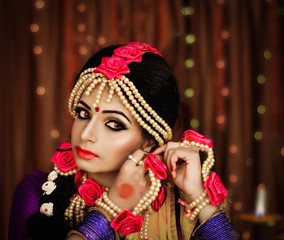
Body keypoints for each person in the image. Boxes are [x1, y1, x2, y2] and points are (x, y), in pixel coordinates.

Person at [9, 42, 240, 240]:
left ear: (150, 140)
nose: (87, 133)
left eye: (114, 124)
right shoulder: (36, 191)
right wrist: (111, 210)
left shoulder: (188, 204)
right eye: (83, 114)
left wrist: (200, 201)